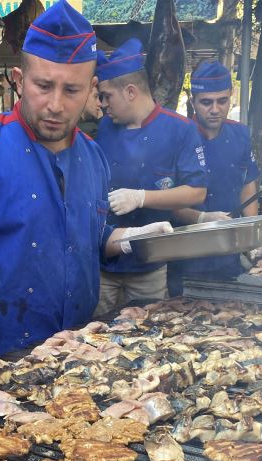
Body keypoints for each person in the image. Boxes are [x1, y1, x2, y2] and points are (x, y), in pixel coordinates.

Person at [0, 1, 161, 372]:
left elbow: (89, 238)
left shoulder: (94, 157)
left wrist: (133, 237)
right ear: (19, 80)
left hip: (76, 356)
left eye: (71, 90)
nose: (55, 104)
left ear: (92, 91)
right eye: (43, 86)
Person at [93, 39, 207, 315]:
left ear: (130, 91)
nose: (103, 104)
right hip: (102, 266)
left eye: (107, 96)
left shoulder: (180, 130)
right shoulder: (103, 128)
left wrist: (141, 197)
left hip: (149, 268)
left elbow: (196, 191)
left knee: (148, 336)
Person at [168, 61, 260, 294]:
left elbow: (248, 184)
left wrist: (253, 234)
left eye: (222, 101)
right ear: (193, 102)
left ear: (231, 97)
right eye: (206, 102)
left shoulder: (240, 134)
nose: (215, 109)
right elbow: (169, 201)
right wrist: (202, 218)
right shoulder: (177, 137)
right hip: (186, 252)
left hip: (228, 251)